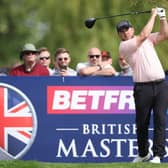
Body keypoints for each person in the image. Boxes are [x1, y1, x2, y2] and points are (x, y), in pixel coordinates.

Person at [116, 7, 168, 164]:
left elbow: (164, 34)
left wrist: (162, 17)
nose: (125, 32)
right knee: (142, 122)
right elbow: (143, 35)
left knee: (160, 119)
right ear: (119, 34)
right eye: (121, 31)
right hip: (142, 88)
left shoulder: (148, 41)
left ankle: (158, 155)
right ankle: (144, 153)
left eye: (127, 29)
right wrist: (153, 15)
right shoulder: (125, 46)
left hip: (160, 86)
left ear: (132, 29)